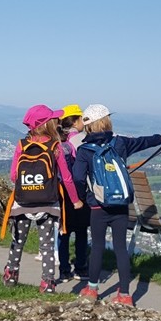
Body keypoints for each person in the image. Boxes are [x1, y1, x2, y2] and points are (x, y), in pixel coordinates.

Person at [72, 103, 161, 305]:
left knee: (98, 246)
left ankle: (92, 290)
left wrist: (83, 198)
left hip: (98, 206)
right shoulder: (120, 143)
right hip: (120, 204)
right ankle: (125, 294)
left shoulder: (84, 150)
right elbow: (143, 142)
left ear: (88, 125)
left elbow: (77, 177)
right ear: (107, 121)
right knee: (120, 247)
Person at [3, 104, 83, 293]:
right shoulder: (55, 147)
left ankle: (11, 275)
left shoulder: (22, 145)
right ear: (47, 124)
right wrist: (75, 201)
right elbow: (67, 178)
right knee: (47, 245)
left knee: (18, 240)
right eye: (54, 120)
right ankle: (47, 283)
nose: (57, 122)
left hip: (22, 202)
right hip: (48, 203)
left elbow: (13, 175)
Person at [57, 104, 91, 282]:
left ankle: (64, 269)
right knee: (81, 231)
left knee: (64, 231)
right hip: (79, 194)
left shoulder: (59, 142)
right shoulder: (82, 140)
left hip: (61, 194)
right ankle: (81, 267)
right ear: (77, 120)